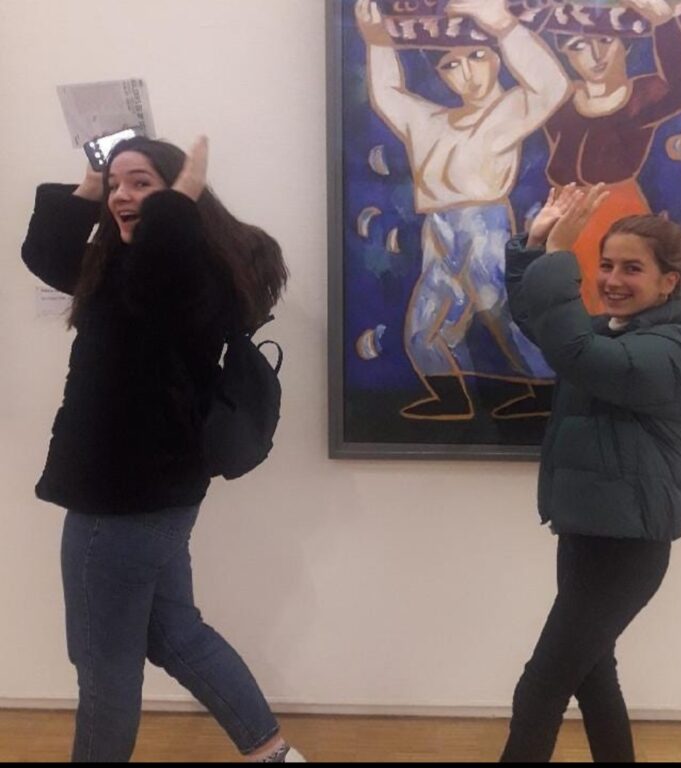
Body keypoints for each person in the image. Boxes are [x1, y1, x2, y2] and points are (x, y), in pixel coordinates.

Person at [21, 136, 303, 763]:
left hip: (120, 499)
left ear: (182, 196)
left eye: (142, 183)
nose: (122, 195)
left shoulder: (180, 272)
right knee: (176, 633)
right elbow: (47, 255)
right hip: (155, 495)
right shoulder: (133, 269)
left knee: (104, 666)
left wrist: (179, 200)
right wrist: (89, 184)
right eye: (115, 184)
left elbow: (156, 271)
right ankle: (274, 756)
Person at [499, 185, 681, 762]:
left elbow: (575, 353)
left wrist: (559, 256)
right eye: (606, 264)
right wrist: (536, 245)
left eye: (632, 268)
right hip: (587, 531)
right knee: (593, 677)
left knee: (541, 686)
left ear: (668, 281)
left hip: (627, 548)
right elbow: (543, 322)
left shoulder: (675, 349)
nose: (613, 279)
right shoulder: (619, 334)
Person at [356, 0, 569, 420]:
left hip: (484, 228)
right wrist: (377, 43)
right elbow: (388, 94)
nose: (466, 72)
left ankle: (549, 391)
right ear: (440, 74)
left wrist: (502, 25)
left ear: (497, 59)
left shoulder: (506, 113)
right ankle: (450, 397)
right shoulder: (428, 122)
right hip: (438, 229)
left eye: (476, 56)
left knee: (503, 313)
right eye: (451, 64)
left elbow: (552, 86)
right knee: (424, 325)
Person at [542, 0, 681, 314]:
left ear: (625, 44)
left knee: (608, 308)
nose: (595, 55)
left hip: (617, 222)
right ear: (566, 54)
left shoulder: (641, 96)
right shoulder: (560, 100)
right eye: (578, 45)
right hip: (563, 222)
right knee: (563, 311)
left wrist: (663, 22)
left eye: (606, 40)